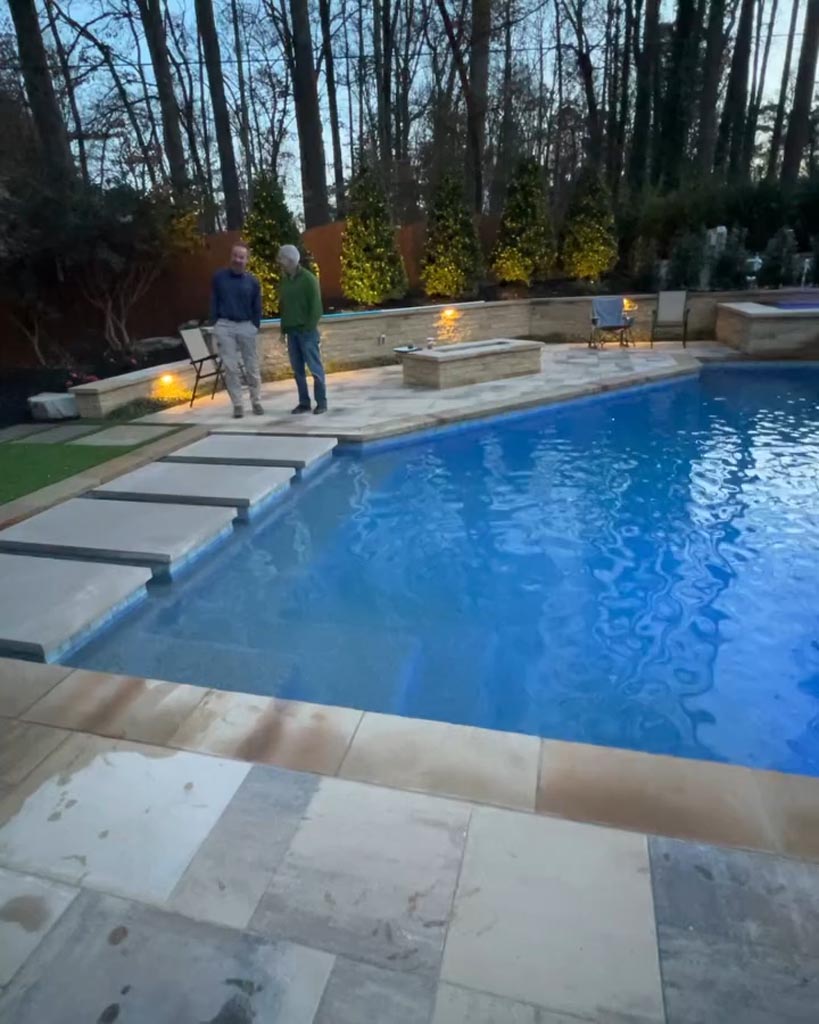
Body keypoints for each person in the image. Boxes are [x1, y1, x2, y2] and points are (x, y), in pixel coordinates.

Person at [211, 243, 264, 418]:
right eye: (235, 256)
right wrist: (216, 322)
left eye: (241, 257)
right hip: (225, 325)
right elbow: (214, 300)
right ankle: (238, 404)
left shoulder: (253, 282)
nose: (237, 260)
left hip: (246, 325)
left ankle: (256, 401)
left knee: (251, 366)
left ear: (247, 260)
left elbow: (257, 306)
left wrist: (254, 326)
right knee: (230, 367)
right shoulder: (219, 277)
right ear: (231, 257)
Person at [277, 244, 327, 415]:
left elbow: (316, 308)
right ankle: (304, 402)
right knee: (298, 371)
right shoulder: (284, 281)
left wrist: (308, 328)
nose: (279, 262)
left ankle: (321, 402)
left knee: (315, 368)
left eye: (281, 258)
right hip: (292, 333)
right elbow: (284, 306)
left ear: (290, 260)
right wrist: (283, 329)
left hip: (307, 333)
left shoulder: (308, 279)